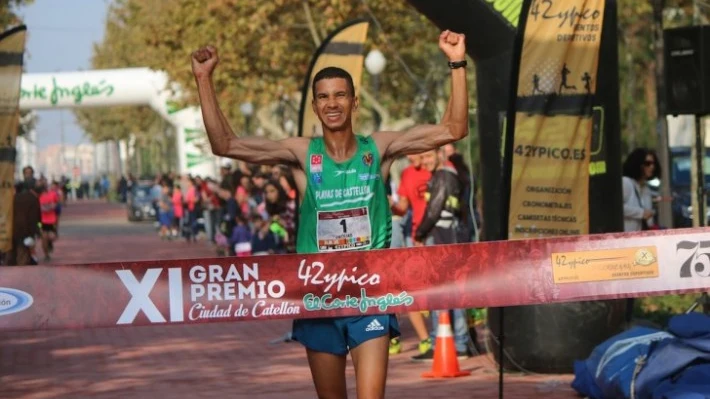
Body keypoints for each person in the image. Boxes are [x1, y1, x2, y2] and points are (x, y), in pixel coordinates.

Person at [191, 29, 468, 399]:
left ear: (354, 102)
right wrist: (203, 79)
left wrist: (457, 62)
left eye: (340, 95)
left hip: (370, 295)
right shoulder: (303, 155)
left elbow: (454, 128)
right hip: (319, 297)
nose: (332, 103)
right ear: (315, 105)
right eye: (323, 97)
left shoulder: (379, 149)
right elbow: (225, 144)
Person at [411, 148, 472, 361]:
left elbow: (434, 210)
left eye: (429, 156)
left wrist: (419, 233)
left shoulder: (444, 175)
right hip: (447, 240)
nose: (425, 160)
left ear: (439, 154)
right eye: (423, 156)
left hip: (444, 242)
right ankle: (456, 342)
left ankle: (454, 342)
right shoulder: (443, 175)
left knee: (443, 293)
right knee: (450, 292)